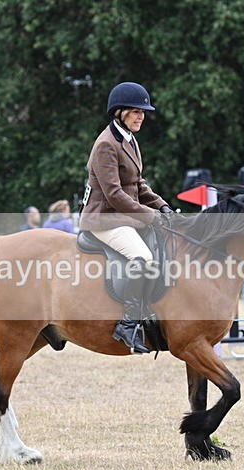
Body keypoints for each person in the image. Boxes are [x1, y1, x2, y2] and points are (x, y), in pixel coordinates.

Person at [78, 81, 172, 353]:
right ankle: (128, 324)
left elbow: (138, 184)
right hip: (105, 219)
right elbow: (114, 195)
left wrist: (163, 207)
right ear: (119, 112)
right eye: (135, 112)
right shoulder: (106, 145)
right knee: (143, 258)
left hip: (124, 217)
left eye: (143, 112)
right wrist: (150, 216)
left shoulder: (128, 139)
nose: (141, 116)